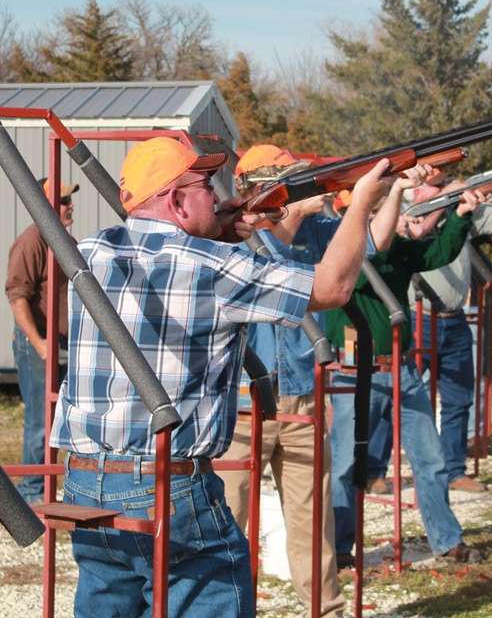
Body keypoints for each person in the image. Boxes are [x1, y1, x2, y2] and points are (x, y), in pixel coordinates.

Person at [49, 137, 390, 618]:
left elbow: (168, 254)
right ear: (175, 199)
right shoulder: (215, 267)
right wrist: (361, 206)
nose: (217, 194)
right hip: (168, 483)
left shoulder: (92, 252)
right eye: (205, 185)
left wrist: (220, 227)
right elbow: (332, 286)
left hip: (86, 480)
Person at [218, 145, 432, 617]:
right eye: (303, 179)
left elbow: (371, 241)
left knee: (313, 524)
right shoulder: (238, 242)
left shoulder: (315, 232)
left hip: (301, 402)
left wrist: (393, 185)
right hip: (239, 407)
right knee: (227, 521)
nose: (318, 184)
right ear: (272, 191)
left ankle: (326, 611)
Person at [327, 180, 488, 567]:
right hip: (353, 372)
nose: (387, 214)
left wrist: (461, 216)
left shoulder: (395, 249)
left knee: (430, 459)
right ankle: (340, 550)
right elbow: (366, 265)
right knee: (346, 466)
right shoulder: (339, 251)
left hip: (401, 368)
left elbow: (437, 253)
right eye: (375, 208)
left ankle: (447, 541)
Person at [369, 172, 492, 493]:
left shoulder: (459, 217)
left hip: (454, 319)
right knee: (395, 396)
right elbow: (418, 233)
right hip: (420, 319)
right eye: (434, 186)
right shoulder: (409, 219)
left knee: (458, 399)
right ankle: (374, 470)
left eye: (441, 186)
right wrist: (450, 200)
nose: (437, 190)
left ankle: (454, 470)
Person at [5, 177, 78, 503]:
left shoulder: (64, 241)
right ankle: (34, 492)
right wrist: (39, 344)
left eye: (68, 200)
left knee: (63, 419)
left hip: (60, 344)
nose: (69, 206)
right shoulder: (32, 241)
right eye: (63, 201)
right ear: (44, 205)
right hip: (39, 344)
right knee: (40, 420)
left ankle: (54, 485)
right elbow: (18, 298)